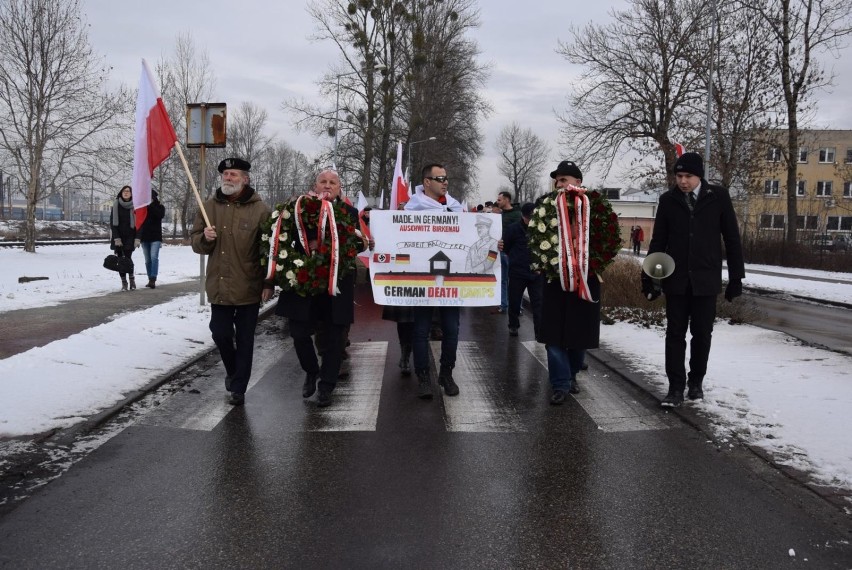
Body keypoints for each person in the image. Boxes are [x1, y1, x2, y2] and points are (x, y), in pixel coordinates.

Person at [642, 152, 745, 408]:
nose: (683, 181)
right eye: (679, 176)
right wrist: (650, 278)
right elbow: (659, 242)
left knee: (702, 333)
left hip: (705, 280)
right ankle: (675, 387)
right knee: (674, 334)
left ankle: (696, 382)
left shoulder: (718, 197)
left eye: (688, 176)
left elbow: (732, 239)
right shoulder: (668, 200)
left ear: (699, 176)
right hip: (676, 281)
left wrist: (736, 278)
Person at [273, 169, 360, 408]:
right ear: (315, 184)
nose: (327, 185)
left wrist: (329, 244)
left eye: (333, 182)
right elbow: (281, 237)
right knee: (299, 332)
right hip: (303, 280)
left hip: (335, 282)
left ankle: (326, 387)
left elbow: (355, 244)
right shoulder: (299, 209)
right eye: (323, 181)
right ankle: (311, 370)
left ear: (340, 188)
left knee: (335, 337)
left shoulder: (349, 213)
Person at [191, 158, 271, 406]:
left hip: (249, 285)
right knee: (220, 333)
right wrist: (205, 237)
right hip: (220, 284)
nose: (228, 178)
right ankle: (233, 369)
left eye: (233, 174)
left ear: (245, 179)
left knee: (246, 339)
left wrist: (269, 282)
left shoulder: (261, 210)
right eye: (225, 174)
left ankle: (239, 387)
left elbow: (269, 249)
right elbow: (196, 243)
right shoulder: (209, 206)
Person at [538, 161, 600, 404]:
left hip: (586, 280)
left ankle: (571, 374)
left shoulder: (594, 207)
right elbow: (536, 237)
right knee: (554, 338)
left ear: (578, 182)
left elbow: (607, 241)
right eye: (557, 180)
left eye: (564, 180)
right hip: (556, 281)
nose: (559, 184)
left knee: (578, 336)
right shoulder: (546, 207)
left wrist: (589, 264)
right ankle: (560, 384)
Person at [405, 163, 464, 399]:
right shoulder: (412, 209)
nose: (445, 182)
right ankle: (423, 377)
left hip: (451, 279)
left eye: (446, 178)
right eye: (440, 178)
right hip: (424, 278)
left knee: (452, 330)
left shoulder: (455, 207)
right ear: (427, 182)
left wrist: (494, 244)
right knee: (420, 330)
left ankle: (446, 374)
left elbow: (471, 237)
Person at [500, 202, 543, 338]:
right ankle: (513, 325)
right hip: (518, 271)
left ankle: (539, 331)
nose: (531, 221)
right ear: (523, 217)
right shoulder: (513, 229)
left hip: (536, 272)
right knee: (514, 301)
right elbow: (506, 247)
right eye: (529, 218)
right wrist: (515, 259)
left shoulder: (541, 228)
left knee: (538, 303)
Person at [494, 191, 521, 314]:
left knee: (515, 281)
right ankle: (504, 305)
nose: (497, 202)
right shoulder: (499, 215)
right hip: (502, 252)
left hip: (514, 253)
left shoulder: (517, 215)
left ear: (507, 200)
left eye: (499, 200)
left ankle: (517, 307)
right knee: (503, 280)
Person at [110, 185, 139, 291]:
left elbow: (139, 224)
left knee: (127, 258)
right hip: (118, 236)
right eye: (124, 191)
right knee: (120, 260)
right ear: (121, 193)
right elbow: (113, 223)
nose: (126, 193)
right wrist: (116, 238)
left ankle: (132, 280)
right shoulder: (116, 204)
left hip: (130, 236)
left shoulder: (135, 205)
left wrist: (137, 238)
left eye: (128, 191)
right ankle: (124, 283)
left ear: (131, 193)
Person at [139, 189, 166, 289]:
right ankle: (149, 277)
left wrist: (150, 205)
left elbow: (160, 215)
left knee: (154, 257)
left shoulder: (159, 207)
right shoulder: (142, 208)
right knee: (147, 260)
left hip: (155, 237)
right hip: (144, 237)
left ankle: (153, 279)